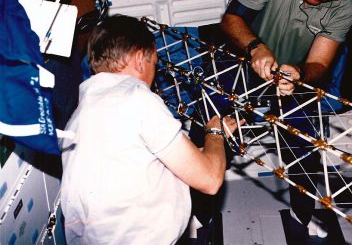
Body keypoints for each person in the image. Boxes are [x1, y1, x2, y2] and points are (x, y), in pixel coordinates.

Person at [220, 0, 352, 237]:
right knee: (215, 131)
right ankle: (202, 214)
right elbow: (231, 20)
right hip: (243, 64)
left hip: (291, 79)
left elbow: (319, 63)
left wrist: (299, 75)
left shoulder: (342, 7)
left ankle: (304, 217)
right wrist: (256, 49)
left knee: (305, 145)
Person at [59, 15, 241, 244]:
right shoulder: (135, 97)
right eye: (154, 63)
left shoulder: (80, 115)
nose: (154, 76)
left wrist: (207, 149)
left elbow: (145, 167)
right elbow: (210, 180)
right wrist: (215, 133)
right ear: (138, 60)